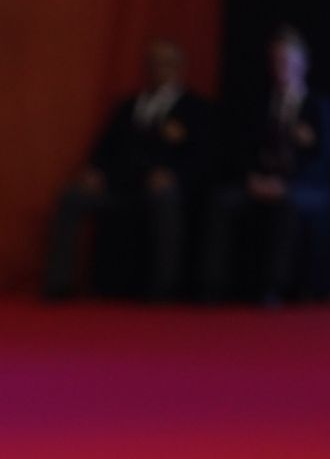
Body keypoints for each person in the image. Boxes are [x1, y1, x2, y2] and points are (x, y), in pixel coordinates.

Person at [41, 39, 210, 301]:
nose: (157, 69)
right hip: (120, 184)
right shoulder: (128, 106)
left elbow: (202, 158)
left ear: (179, 68)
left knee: (166, 199)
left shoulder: (195, 108)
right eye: (152, 63)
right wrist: (95, 171)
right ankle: (59, 283)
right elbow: (105, 147)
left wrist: (173, 175)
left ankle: (164, 288)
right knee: (73, 196)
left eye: (165, 63)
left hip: (162, 189)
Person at [201, 25, 330, 303]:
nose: (281, 67)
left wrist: (285, 184)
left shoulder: (318, 107)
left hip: (305, 187)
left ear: (302, 64)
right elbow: (243, 149)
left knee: (287, 205)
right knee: (222, 201)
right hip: (261, 182)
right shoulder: (260, 104)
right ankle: (212, 286)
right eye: (276, 61)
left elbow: (326, 160)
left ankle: (274, 287)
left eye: (287, 61)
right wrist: (254, 178)